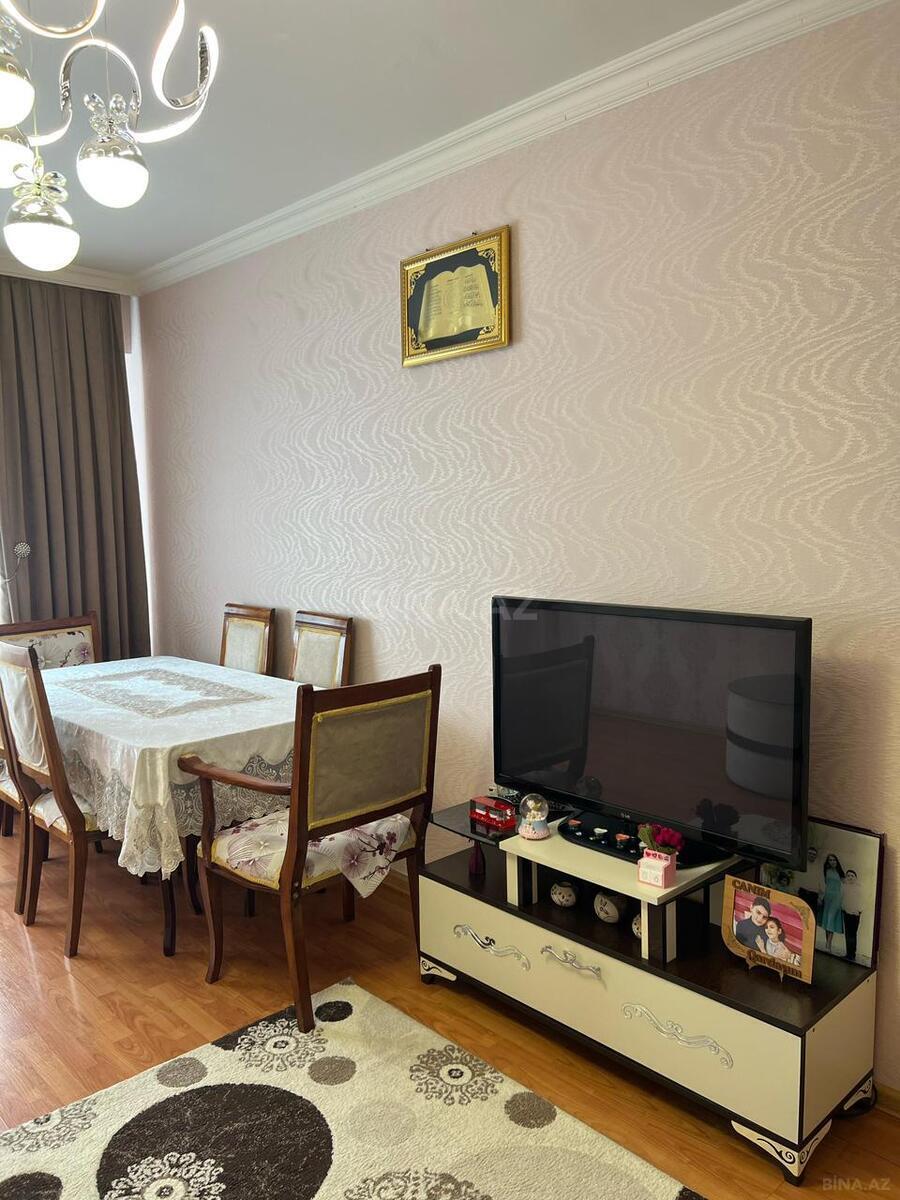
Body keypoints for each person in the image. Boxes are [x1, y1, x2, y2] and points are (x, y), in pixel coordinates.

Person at [820, 853, 845, 951]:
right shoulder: (826, 871)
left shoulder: (840, 873)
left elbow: (845, 886)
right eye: (830, 860)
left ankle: (828, 944)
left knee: (831, 919)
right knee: (827, 920)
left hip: (836, 898)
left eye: (834, 860)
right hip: (827, 897)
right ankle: (827, 944)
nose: (832, 862)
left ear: (837, 861)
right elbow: (823, 883)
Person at [842, 869, 862, 962]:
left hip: (855, 914)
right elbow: (843, 899)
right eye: (848, 876)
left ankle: (852, 955)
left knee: (852, 934)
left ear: (855, 878)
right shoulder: (845, 887)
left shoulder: (858, 888)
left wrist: (859, 911)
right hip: (847, 913)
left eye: (852, 876)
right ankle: (848, 954)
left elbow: (862, 901)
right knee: (847, 933)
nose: (850, 877)